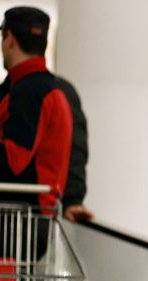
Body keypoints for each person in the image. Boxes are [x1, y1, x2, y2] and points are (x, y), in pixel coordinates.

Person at [0, 6, 72, 260]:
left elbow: (14, 157)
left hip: (16, 221)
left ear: (10, 38)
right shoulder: (38, 87)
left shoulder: (31, 91)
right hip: (27, 220)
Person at [53, 76, 94, 223]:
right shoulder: (3, 94)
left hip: (47, 208)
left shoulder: (59, 91)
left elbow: (75, 148)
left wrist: (72, 199)